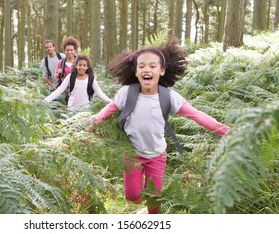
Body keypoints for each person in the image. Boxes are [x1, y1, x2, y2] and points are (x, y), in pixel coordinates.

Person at [89, 37, 230, 214]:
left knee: (154, 198)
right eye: (141, 66)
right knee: (132, 196)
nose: (146, 69)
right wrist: (91, 122)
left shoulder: (169, 97)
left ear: (162, 71)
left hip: (157, 155)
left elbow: (197, 115)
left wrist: (225, 131)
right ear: (136, 71)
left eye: (152, 66)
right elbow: (107, 110)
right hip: (132, 154)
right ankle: (139, 199)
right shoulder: (127, 93)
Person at [44, 55, 111, 109]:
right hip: (71, 110)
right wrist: (46, 100)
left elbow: (99, 93)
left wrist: (110, 102)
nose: (82, 67)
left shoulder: (91, 78)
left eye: (84, 65)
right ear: (76, 66)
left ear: (87, 67)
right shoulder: (70, 77)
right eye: (80, 65)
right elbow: (59, 90)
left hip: (86, 110)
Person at [55, 36, 79, 104]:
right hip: (64, 89)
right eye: (67, 50)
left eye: (71, 50)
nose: (69, 52)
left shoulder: (79, 61)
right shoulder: (61, 62)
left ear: (75, 50)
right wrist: (59, 73)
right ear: (65, 51)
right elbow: (56, 75)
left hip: (76, 87)